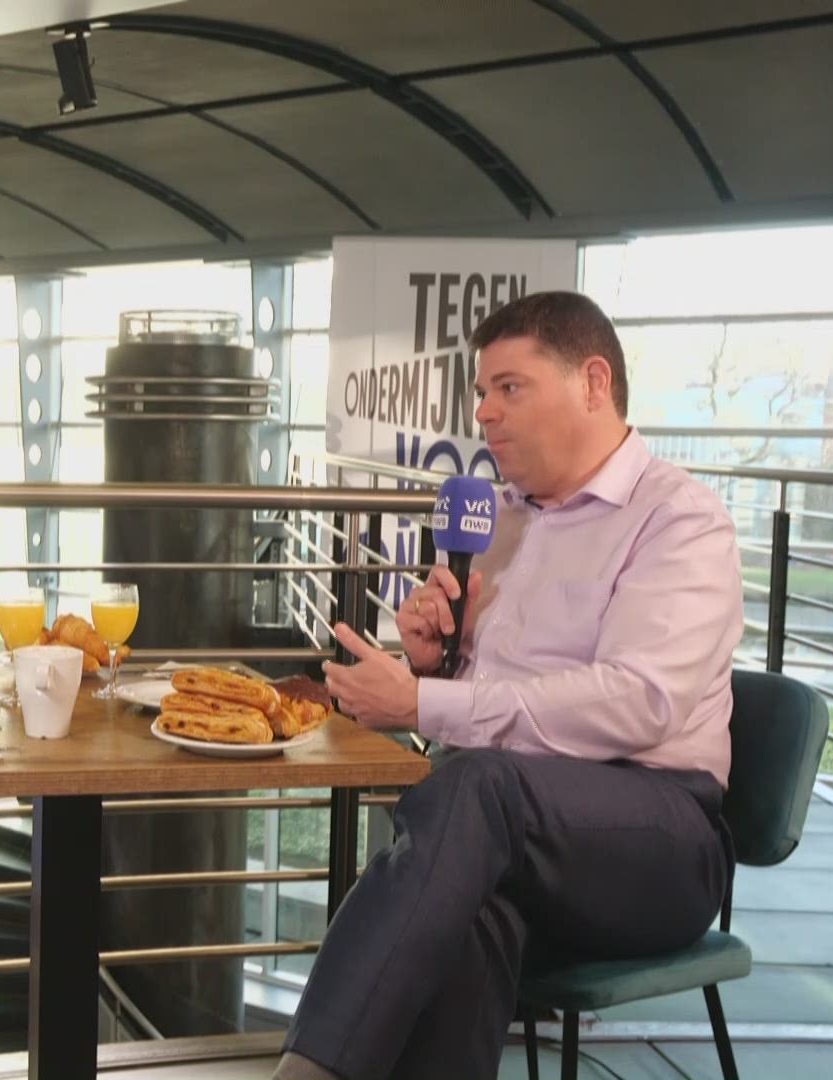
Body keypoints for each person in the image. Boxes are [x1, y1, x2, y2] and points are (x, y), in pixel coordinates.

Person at [278, 291, 741, 1080]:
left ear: (593, 383)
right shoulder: (497, 520)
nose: (484, 412)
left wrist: (423, 701)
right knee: (463, 914)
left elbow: (639, 703)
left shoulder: (679, 520)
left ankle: (303, 1074)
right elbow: (496, 711)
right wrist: (438, 662)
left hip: (660, 839)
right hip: (515, 839)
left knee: (477, 788)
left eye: (510, 387)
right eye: (481, 392)